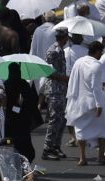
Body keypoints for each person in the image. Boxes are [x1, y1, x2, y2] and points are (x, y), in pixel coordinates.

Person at [67, 40, 105, 166]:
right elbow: (96, 88)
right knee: (103, 128)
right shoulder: (96, 65)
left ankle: (82, 158)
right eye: (101, 52)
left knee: (81, 129)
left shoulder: (79, 62)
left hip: (79, 102)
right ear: (97, 51)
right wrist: (99, 105)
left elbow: (73, 81)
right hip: (94, 102)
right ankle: (101, 156)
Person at [42, 28, 71, 161]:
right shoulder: (52, 51)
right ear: (64, 37)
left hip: (61, 90)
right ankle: (47, 148)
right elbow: (48, 71)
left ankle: (55, 146)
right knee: (54, 119)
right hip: (54, 90)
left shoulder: (60, 50)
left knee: (62, 120)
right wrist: (64, 78)